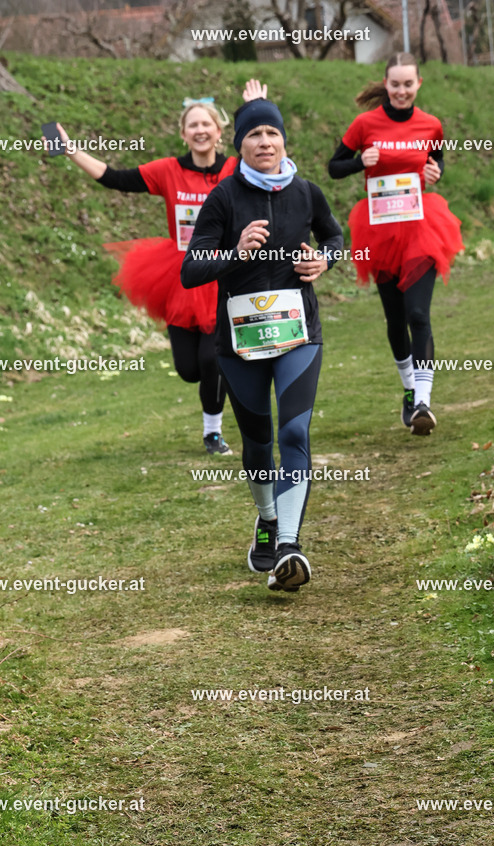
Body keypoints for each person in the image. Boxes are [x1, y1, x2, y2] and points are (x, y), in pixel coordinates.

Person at [44, 81, 266, 455]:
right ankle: (211, 397)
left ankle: (212, 432)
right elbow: (115, 177)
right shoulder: (167, 171)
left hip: (225, 274)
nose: (200, 130)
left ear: (219, 131)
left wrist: (258, 107)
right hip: (181, 276)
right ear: (183, 133)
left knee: (214, 359)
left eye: (206, 124)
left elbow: (267, 150)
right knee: (189, 369)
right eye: (192, 125)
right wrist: (70, 151)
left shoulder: (235, 169)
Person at [181, 99, 343, 592]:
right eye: (254, 136)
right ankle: (268, 518)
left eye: (273, 134)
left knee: (294, 434)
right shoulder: (224, 198)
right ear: (241, 145)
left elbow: (336, 237)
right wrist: (235, 252)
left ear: (284, 142)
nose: (265, 143)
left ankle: (290, 544)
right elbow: (191, 271)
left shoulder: (307, 192)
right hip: (240, 343)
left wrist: (325, 262)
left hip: (299, 335)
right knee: (258, 442)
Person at [328, 53, 463, 436]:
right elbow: (334, 167)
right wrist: (360, 161)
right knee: (395, 319)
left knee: (419, 314)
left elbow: (435, 165)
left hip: (422, 227)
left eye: (408, 84)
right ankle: (408, 389)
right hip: (380, 229)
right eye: (395, 84)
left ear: (419, 84)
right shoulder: (364, 124)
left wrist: (435, 173)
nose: (401, 91)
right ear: (385, 85)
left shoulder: (431, 125)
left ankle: (423, 400)